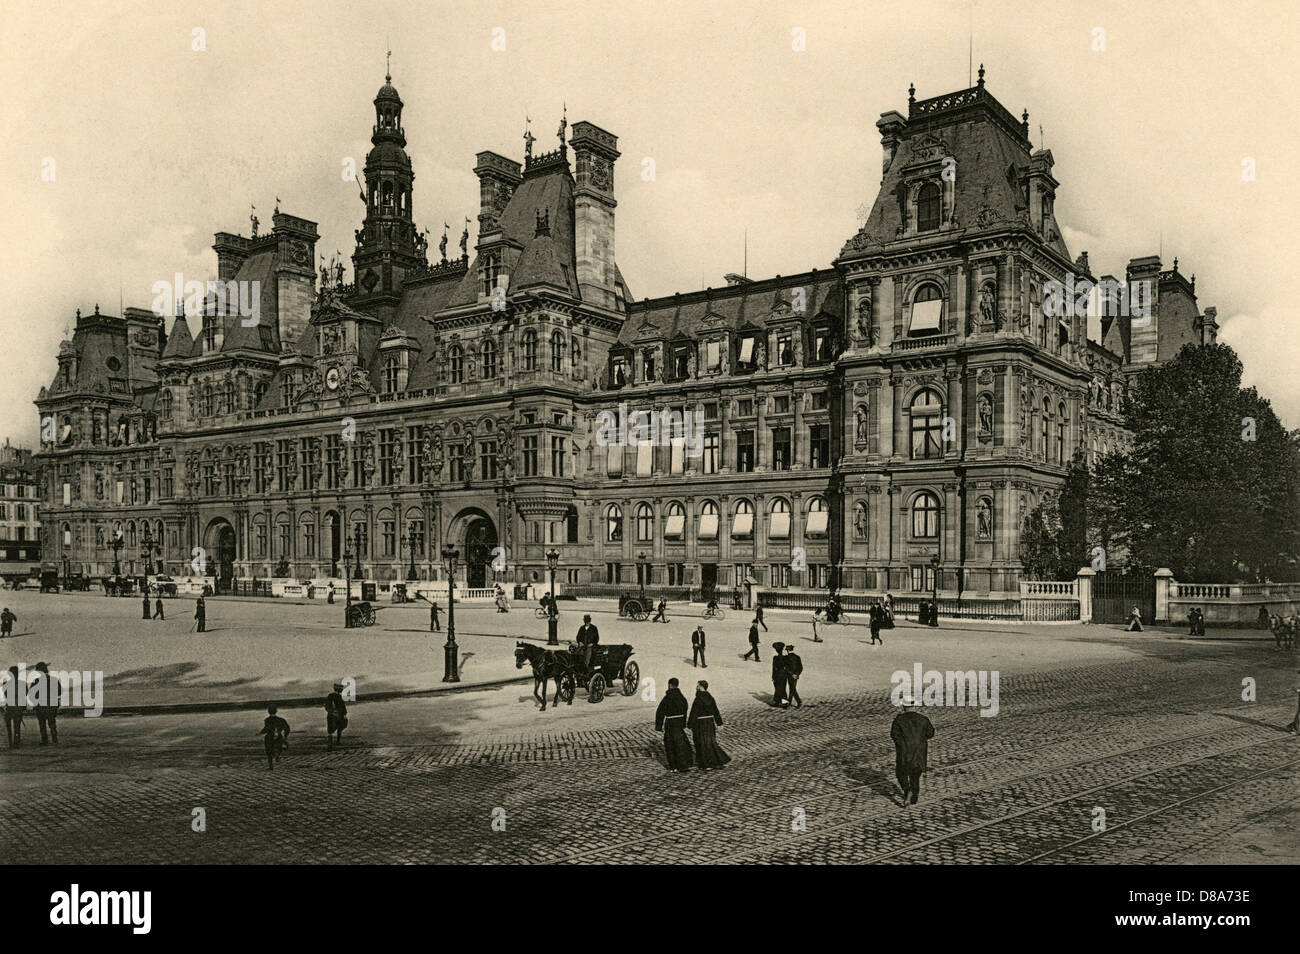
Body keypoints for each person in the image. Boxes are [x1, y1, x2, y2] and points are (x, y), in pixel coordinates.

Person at [891, 695, 935, 805]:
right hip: (919, 753)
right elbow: (930, 733)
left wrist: (902, 744)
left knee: (901, 773)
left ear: (903, 707)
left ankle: (907, 791)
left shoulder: (899, 720)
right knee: (915, 776)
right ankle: (914, 797)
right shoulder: (923, 719)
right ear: (914, 705)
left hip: (904, 753)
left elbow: (894, 735)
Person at [687, 680, 730, 770]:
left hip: (700, 723)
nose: (696, 687)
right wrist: (719, 723)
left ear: (701, 687)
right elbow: (716, 711)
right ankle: (716, 761)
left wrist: (690, 724)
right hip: (710, 723)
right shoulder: (711, 698)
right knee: (710, 742)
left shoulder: (698, 699)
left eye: (697, 686)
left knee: (702, 743)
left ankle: (706, 764)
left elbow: (694, 712)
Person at [654, 677, 693, 772]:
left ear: (670, 685)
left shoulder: (667, 698)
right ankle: (683, 765)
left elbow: (660, 711)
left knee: (670, 745)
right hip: (679, 724)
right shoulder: (682, 697)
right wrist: (683, 723)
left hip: (670, 723)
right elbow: (685, 709)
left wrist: (659, 726)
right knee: (681, 744)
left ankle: (673, 766)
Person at [31, 662, 59, 745]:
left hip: (40, 706)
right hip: (52, 705)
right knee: (52, 723)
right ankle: (55, 739)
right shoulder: (54, 680)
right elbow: (59, 691)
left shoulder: (36, 681)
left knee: (42, 724)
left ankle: (44, 740)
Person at [259, 704, 291, 770]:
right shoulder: (281, 720)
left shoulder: (267, 720)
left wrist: (260, 733)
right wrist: (285, 736)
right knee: (280, 747)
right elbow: (287, 728)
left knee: (269, 751)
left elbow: (266, 729)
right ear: (276, 711)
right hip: (279, 736)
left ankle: (271, 766)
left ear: (268, 711)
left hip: (269, 737)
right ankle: (277, 755)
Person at [3, 665, 24, 748]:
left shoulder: (5, 684)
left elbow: (5, 694)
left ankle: (9, 742)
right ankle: (16, 742)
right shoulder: (22, 684)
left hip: (10, 707)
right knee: (17, 726)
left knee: (8, 726)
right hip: (18, 707)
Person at [325, 683, 348, 750]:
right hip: (333, 715)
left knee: (339, 727)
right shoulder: (331, 696)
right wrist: (333, 712)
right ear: (338, 689)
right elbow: (327, 706)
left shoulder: (338, 696)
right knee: (332, 728)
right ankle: (331, 743)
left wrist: (344, 714)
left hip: (338, 715)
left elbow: (343, 707)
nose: (342, 690)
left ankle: (337, 742)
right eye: (341, 689)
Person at [784, 644, 803, 709]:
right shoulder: (797, 657)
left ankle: (798, 701)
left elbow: (786, 668)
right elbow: (800, 667)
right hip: (796, 676)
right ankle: (790, 702)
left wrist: (792, 674)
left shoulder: (786, 658)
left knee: (792, 689)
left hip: (790, 675)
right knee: (792, 688)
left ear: (788, 651)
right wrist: (797, 674)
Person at [771, 642, 788, 707]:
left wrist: (773, 676)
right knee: (783, 688)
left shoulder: (775, 658)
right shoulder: (785, 657)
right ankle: (784, 702)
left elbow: (774, 668)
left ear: (776, 650)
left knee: (777, 688)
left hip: (778, 674)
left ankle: (777, 702)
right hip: (784, 674)